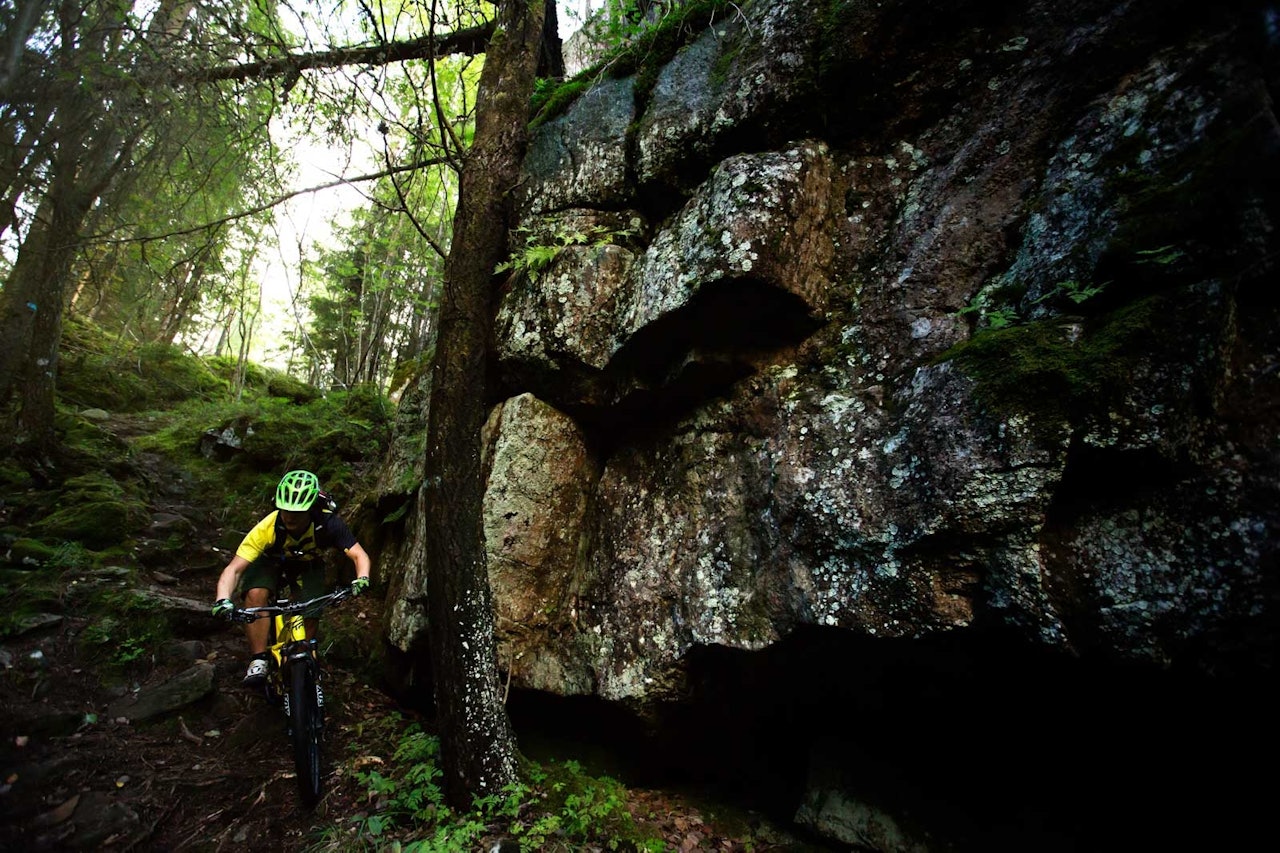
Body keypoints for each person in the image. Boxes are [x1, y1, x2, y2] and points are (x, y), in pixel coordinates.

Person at [210, 469, 371, 686]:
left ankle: (305, 659)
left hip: (308, 563)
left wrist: (362, 578)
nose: (289, 517)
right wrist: (223, 599)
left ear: (311, 509)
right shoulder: (268, 527)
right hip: (271, 561)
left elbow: (358, 555)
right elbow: (234, 569)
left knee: (311, 610)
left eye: (297, 512)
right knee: (256, 593)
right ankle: (259, 659)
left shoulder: (328, 523)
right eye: (285, 510)